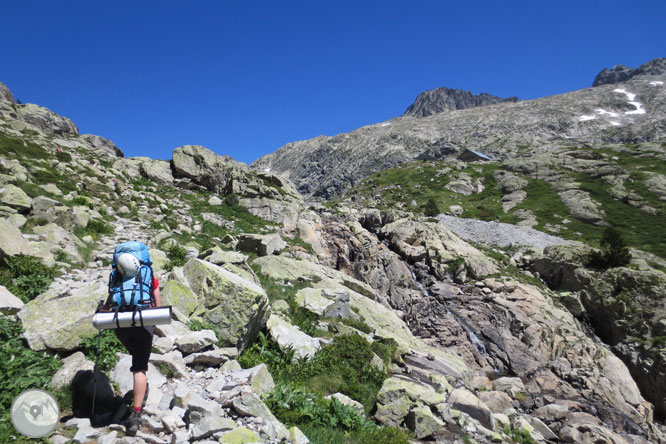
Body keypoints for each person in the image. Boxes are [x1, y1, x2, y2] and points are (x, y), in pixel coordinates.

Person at [101, 254, 162, 436]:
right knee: (139, 368)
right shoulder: (148, 276)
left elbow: (107, 306)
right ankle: (135, 414)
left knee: (135, 354)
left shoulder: (117, 278)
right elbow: (158, 306)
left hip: (122, 327)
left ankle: (138, 388)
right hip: (143, 326)